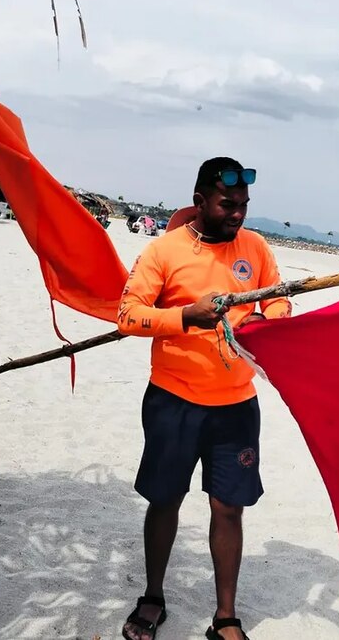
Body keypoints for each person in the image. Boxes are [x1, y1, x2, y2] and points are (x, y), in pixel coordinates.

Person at [118, 157, 291, 640]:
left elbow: (276, 298)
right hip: (173, 402)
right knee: (165, 500)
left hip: (236, 405)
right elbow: (128, 315)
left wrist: (269, 319)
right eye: (227, 204)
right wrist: (184, 318)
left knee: (229, 508)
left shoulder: (254, 247)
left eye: (243, 205)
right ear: (199, 202)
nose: (238, 213)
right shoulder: (164, 251)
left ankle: (226, 617)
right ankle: (153, 597)